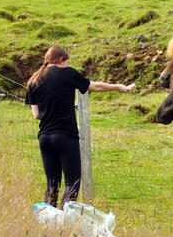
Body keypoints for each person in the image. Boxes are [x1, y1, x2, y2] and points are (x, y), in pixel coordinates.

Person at [25, 45, 135, 207]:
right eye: (67, 63)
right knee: (72, 183)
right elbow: (95, 86)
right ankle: (65, 223)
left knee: (52, 185)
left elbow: (36, 115)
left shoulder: (34, 80)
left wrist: (51, 108)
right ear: (60, 60)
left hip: (45, 137)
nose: (67, 66)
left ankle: (49, 224)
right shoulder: (67, 74)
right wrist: (119, 87)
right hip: (65, 136)